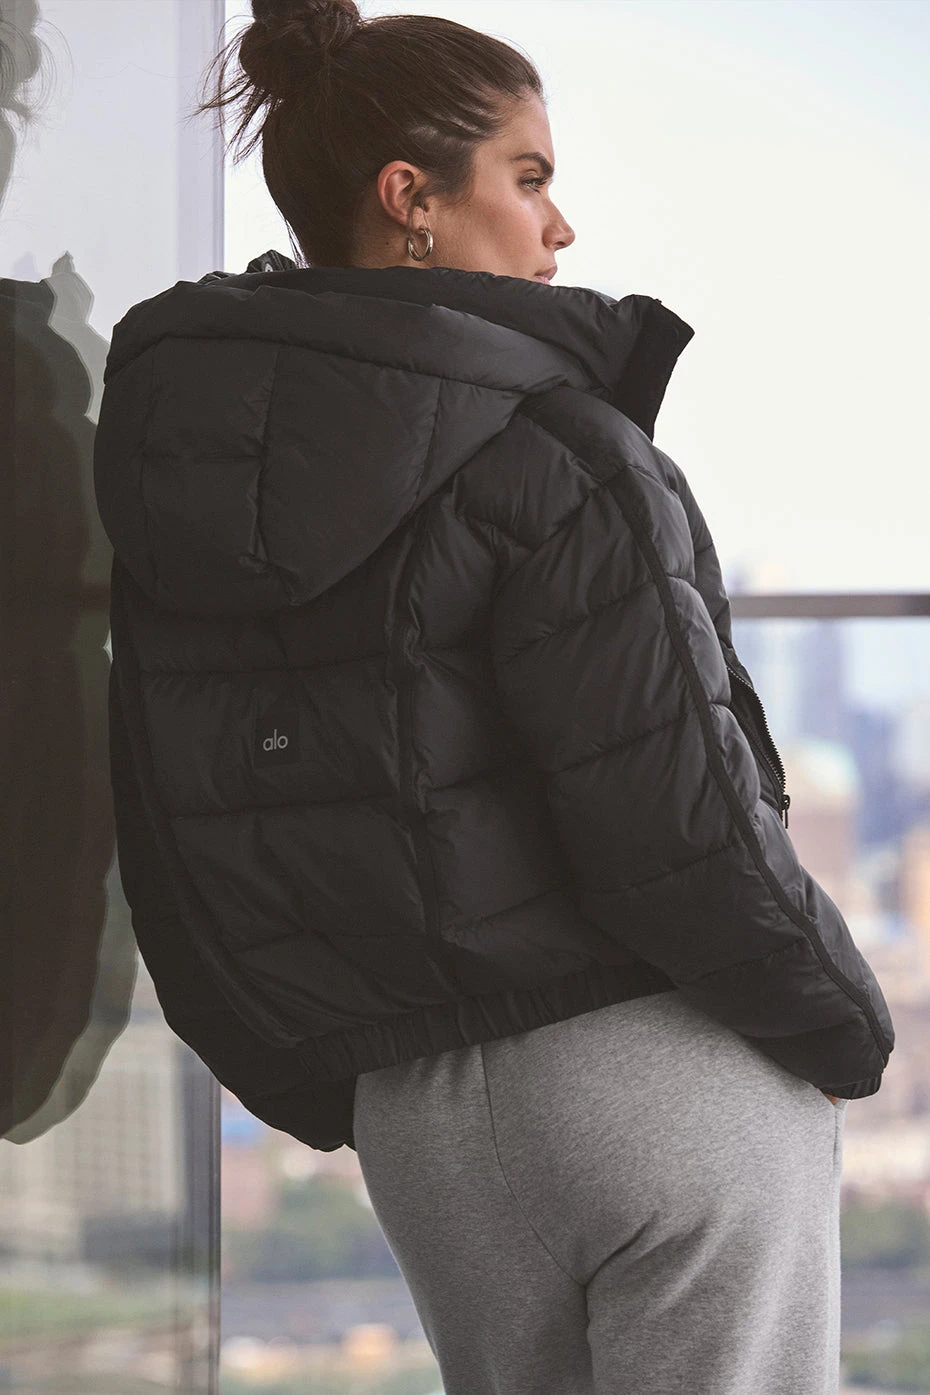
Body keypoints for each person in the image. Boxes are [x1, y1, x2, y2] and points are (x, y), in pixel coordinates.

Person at [93, 2, 895, 1391]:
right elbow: (676, 815)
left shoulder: (173, 480)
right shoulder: (554, 448)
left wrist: (326, 1075)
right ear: (409, 199)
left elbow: (175, 830)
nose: (559, 227)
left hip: (426, 1123)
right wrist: (841, 1025)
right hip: (650, 1073)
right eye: (527, 178)